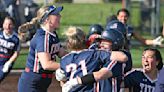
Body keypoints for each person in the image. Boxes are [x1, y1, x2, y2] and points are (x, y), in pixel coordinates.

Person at [56, 26, 128, 92]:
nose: (101, 44)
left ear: (115, 43)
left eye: (105, 42)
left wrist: (75, 81)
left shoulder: (115, 60)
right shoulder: (95, 54)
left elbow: (100, 75)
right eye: (101, 42)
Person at [18, 5, 67, 92]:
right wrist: (69, 66)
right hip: (31, 84)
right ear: (47, 19)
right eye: (56, 14)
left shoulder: (52, 35)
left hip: (41, 82)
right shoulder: (43, 37)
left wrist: (78, 55)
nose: (60, 16)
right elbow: (47, 64)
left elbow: (62, 53)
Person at [0, 16, 20, 82]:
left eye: (10, 24)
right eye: (5, 24)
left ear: (13, 26)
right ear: (3, 24)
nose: (7, 26)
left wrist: (8, 63)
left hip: (5, 63)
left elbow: (16, 53)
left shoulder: (16, 38)